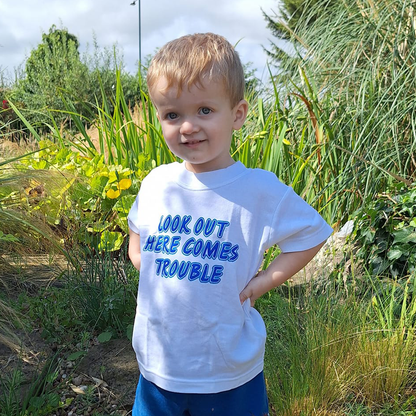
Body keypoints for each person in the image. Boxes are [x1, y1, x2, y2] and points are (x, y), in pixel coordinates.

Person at [127, 32, 333, 416]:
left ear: (237, 114)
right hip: (157, 369)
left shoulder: (256, 190)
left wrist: (265, 281)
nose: (187, 127)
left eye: (205, 110)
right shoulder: (157, 182)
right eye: (173, 115)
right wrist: (142, 259)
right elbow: (136, 226)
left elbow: (312, 233)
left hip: (227, 372)